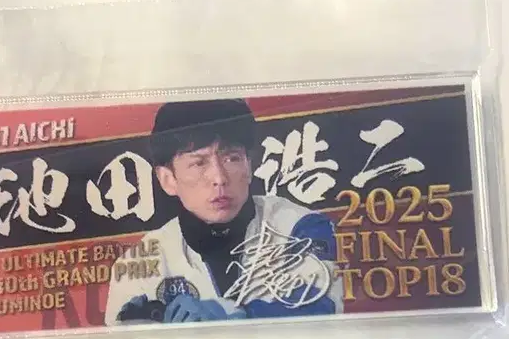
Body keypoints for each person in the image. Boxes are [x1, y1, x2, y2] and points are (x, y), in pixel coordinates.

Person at [104, 98, 342, 325]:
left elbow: (322, 307)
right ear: (168, 180)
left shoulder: (299, 226)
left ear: (249, 166)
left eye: (231, 158)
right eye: (199, 163)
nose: (219, 178)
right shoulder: (140, 262)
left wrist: (234, 316)